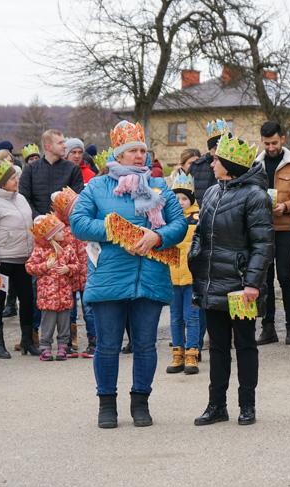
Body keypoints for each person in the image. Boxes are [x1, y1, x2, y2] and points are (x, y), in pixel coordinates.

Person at [71, 120, 187, 429]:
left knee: (146, 346)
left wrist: (156, 237)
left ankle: (140, 403)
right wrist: (114, 230)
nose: (139, 156)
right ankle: (106, 404)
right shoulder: (97, 186)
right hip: (109, 276)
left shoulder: (159, 187)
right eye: (132, 151)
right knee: (108, 345)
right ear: (118, 156)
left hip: (149, 276)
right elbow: (78, 223)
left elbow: (179, 224)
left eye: (142, 150)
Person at [189, 133, 273, 427]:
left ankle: (247, 405)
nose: (211, 163)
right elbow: (201, 231)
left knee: (246, 345)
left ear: (229, 164)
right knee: (218, 347)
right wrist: (195, 256)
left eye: (216, 159)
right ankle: (216, 405)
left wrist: (252, 283)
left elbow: (263, 244)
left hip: (240, 286)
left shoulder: (255, 196)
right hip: (213, 282)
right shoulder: (213, 191)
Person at [0, 159, 39, 359]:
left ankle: (27, 340)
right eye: (13, 178)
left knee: (27, 299)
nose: (17, 180)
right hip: (3, 260)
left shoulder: (19, 198)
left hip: (23, 258)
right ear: (2, 181)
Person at [256, 121, 290, 346]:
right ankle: (268, 326)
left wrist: (286, 206)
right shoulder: (255, 165)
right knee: (264, 278)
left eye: (274, 143)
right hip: (261, 228)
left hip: (285, 227)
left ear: (282, 139)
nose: (271, 147)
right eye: (266, 143)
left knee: (284, 276)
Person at [25, 213, 79, 361]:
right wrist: (45, 266)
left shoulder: (67, 249)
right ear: (51, 234)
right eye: (60, 231)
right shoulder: (40, 250)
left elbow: (77, 265)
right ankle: (45, 347)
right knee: (47, 323)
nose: (64, 233)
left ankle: (63, 346)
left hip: (65, 296)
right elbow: (29, 267)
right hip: (47, 297)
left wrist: (69, 269)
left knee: (64, 323)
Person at [52, 188, 94, 358]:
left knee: (89, 309)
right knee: (69, 310)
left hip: (85, 274)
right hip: (66, 276)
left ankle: (94, 340)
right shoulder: (59, 230)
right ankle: (68, 342)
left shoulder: (84, 224)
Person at [166, 174, 201, 375]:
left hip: (191, 275)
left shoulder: (197, 218)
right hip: (172, 276)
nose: (180, 203)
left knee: (192, 316)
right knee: (175, 317)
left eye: (184, 199)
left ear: (191, 200)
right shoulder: (167, 218)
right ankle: (177, 353)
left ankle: (192, 354)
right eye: (177, 199)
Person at [19, 129, 84, 218]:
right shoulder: (30, 169)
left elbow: (77, 200)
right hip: (37, 225)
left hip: (64, 226)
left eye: (64, 142)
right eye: (60, 143)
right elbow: (23, 198)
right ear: (48, 147)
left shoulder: (73, 169)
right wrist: (39, 218)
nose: (65, 146)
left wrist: (59, 221)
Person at [188, 119, 228, 206]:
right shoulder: (196, 166)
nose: (219, 151)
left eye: (222, 147)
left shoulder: (232, 167)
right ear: (210, 148)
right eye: (216, 148)